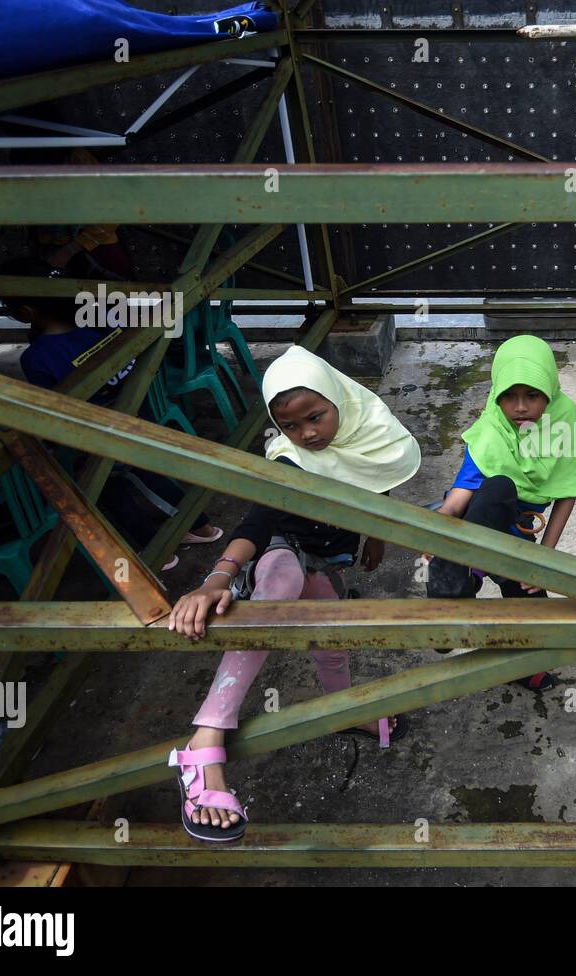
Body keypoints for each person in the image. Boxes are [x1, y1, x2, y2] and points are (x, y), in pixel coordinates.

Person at [166, 345, 421, 841]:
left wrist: (377, 534)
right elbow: (261, 517)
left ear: (336, 401)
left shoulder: (369, 429)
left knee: (331, 635)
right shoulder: (291, 458)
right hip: (285, 548)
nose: (307, 434)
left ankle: (340, 710)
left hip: (328, 557)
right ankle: (204, 741)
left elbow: (377, 478)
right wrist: (218, 576)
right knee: (278, 588)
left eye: (315, 417)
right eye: (290, 426)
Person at [0, 257, 220, 569]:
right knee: (149, 468)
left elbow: (52, 413)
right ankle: (203, 527)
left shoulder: (37, 357)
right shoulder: (101, 325)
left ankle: (158, 551)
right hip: (138, 415)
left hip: (100, 435)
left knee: (98, 483)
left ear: (25, 312)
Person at [426, 335, 576, 693]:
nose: (519, 407)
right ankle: (458, 579)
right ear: (497, 395)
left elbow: (566, 493)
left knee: (533, 610)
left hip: (518, 535)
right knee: (498, 487)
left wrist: (544, 555)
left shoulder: (565, 422)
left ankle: (522, 666)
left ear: (549, 389)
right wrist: (432, 532)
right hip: (477, 527)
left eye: (531, 395)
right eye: (509, 396)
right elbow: (458, 499)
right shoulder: (492, 430)